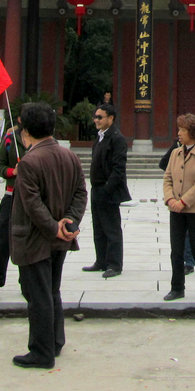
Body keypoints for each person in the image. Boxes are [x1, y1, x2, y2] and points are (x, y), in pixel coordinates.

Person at [10, 102, 88, 369]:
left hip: (35, 238)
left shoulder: (30, 161)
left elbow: (31, 203)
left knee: (38, 294)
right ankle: (55, 341)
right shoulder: (70, 156)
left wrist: (54, 226)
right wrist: (69, 221)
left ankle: (41, 352)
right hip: (60, 237)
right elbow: (80, 193)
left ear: (25, 131)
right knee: (51, 290)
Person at [162, 113, 195, 302]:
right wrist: (170, 200)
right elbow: (167, 178)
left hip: (194, 211)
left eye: (182, 130)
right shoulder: (176, 152)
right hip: (175, 210)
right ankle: (177, 288)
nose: (179, 133)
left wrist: (183, 202)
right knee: (175, 250)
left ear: (193, 133)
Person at [82, 103, 130, 278]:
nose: (96, 120)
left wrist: (107, 189)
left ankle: (114, 264)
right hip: (96, 189)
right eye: (95, 117)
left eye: (100, 117)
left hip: (107, 190)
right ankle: (101, 261)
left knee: (111, 228)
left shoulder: (117, 138)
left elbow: (119, 169)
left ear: (111, 118)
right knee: (99, 227)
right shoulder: (100, 136)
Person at [0, 124, 28, 301]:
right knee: (3, 241)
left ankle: (26, 283)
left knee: (27, 242)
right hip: (11, 196)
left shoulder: (42, 141)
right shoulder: (10, 140)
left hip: (33, 198)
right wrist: (12, 171)